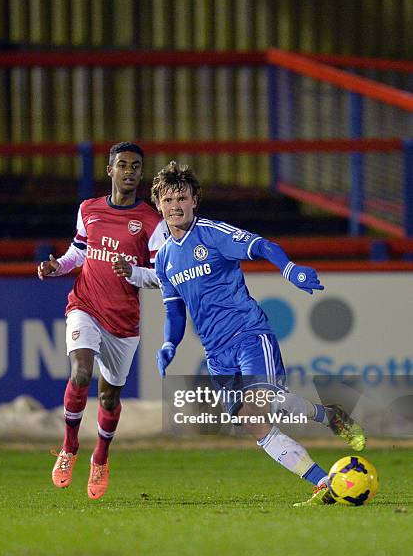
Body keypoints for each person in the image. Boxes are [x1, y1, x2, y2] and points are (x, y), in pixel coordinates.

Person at [152, 161, 366, 507]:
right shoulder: (163, 259)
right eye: (168, 199)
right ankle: (325, 467)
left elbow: (261, 245)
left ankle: (330, 445)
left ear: (195, 200)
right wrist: (168, 342)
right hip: (216, 351)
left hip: (249, 334)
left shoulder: (213, 233)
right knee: (254, 423)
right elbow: (174, 309)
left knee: (263, 401)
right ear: (158, 205)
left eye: (182, 198)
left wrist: (290, 269)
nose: (175, 206)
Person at [38, 142, 166, 499]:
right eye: (122, 164)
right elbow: (78, 251)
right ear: (110, 170)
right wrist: (56, 266)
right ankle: (69, 448)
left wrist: (135, 271)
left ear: (141, 173)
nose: (129, 171)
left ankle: (101, 456)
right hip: (85, 304)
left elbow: (161, 275)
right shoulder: (89, 208)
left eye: (136, 166)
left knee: (109, 399)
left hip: (124, 321)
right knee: (80, 372)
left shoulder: (152, 220)